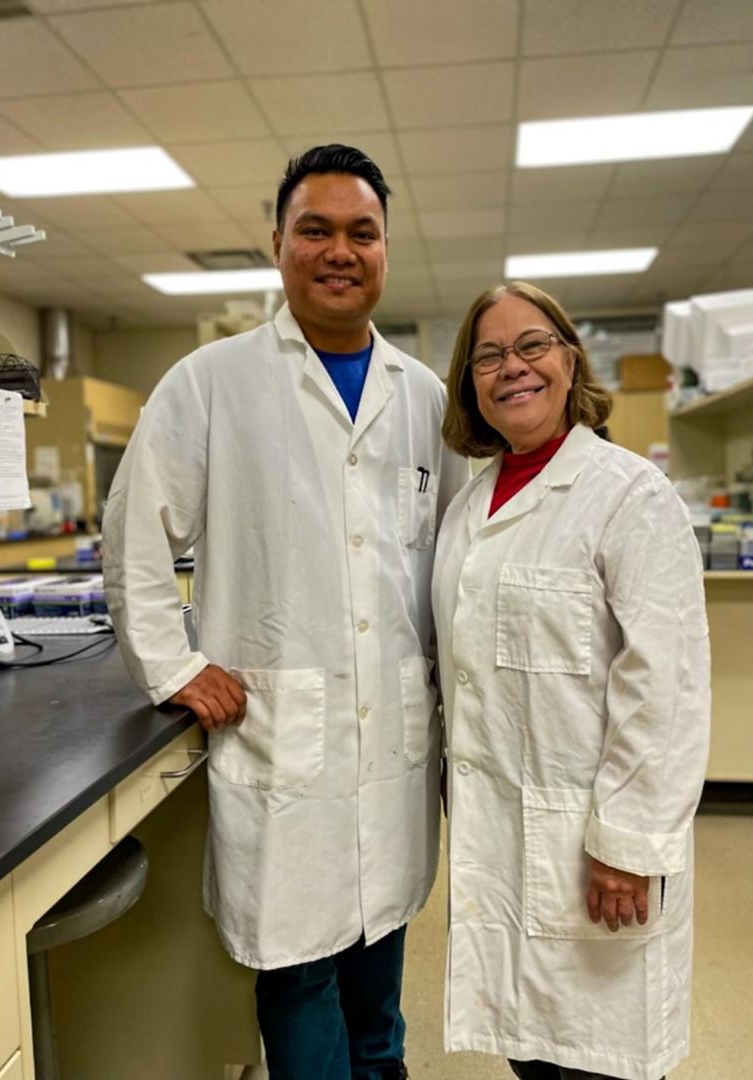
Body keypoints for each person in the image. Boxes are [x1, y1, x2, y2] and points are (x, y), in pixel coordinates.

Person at [102, 144, 468, 1080]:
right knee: (299, 984)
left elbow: (450, 562)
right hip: (282, 737)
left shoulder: (424, 396)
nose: (339, 250)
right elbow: (134, 534)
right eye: (316, 229)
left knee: (380, 974)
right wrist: (175, 665)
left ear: (386, 249)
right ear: (279, 245)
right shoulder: (211, 381)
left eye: (362, 232)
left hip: (390, 740)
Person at [431, 282, 710, 1080]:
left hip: (595, 850)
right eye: (488, 355)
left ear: (570, 360)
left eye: (532, 346)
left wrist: (628, 845)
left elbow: (668, 687)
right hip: (500, 834)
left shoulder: (629, 495)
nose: (511, 367)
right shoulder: (468, 507)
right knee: (533, 1055)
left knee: (602, 1063)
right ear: (470, 384)